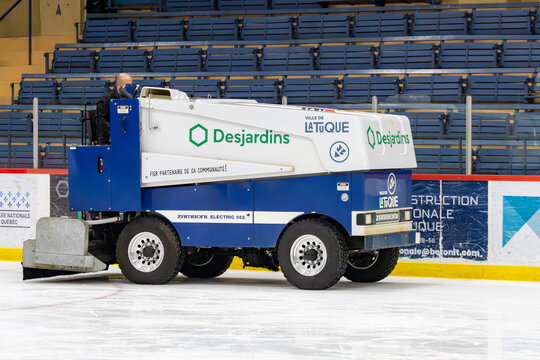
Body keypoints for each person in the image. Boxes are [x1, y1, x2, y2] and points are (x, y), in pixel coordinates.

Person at [95, 73, 138, 144]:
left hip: (127, 136)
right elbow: (99, 119)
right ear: (118, 85)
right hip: (108, 138)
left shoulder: (130, 100)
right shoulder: (106, 99)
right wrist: (114, 128)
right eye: (127, 86)